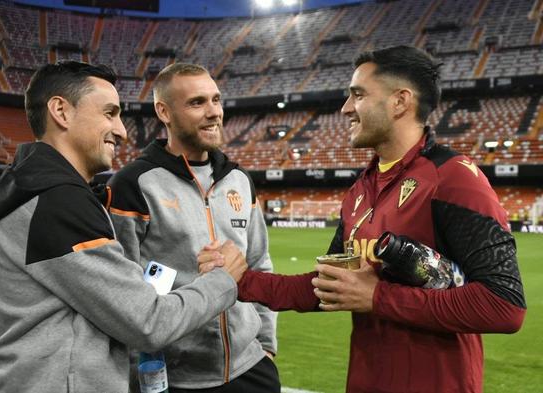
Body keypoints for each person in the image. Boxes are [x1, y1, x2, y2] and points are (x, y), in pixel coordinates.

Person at [199, 46, 527, 393]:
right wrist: (239, 280)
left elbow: (503, 305)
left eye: (358, 95)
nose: (345, 108)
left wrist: (377, 298)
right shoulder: (360, 190)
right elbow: (325, 288)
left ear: (400, 101)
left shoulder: (453, 178)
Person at [0, 61, 246, 393]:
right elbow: (148, 322)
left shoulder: (33, 189)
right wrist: (224, 280)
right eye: (109, 113)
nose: (122, 131)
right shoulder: (55, 201)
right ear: (61, 112)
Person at [107, 63, 280, 393]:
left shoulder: (239, 181)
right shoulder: (133, 184)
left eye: (216, 100)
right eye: (197, 103)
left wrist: (266, 346)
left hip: (250, 367)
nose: (214, 112)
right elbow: (120, 291)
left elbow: (260, 263)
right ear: (164, 111)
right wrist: (138, 372)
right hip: (175, 379)